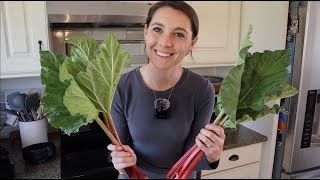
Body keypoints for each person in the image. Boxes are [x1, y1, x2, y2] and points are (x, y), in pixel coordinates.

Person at [107, 1, 225, 179]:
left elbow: (194, 157)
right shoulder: (120, 87)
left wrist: (212, 155)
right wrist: (121, 162)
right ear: (146, 32)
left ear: (192, 42)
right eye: (157, 29)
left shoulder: (202, 90)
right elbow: (118, 151)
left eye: (178, 34)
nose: (165, 42)